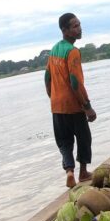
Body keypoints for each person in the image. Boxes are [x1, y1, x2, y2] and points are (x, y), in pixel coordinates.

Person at [46, 13, 96, 188]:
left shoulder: (53, 50)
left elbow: (47, 77)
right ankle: (82, 173)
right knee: (84, 138)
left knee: (64, 142)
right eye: (74, 26)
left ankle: (69, 172)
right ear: (65, 30)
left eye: (79, 25)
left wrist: (53, 98)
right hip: (73, 105)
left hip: (57, 106)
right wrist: (87, 106)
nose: (79, 28)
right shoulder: (72, 51)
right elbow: (75, 82)